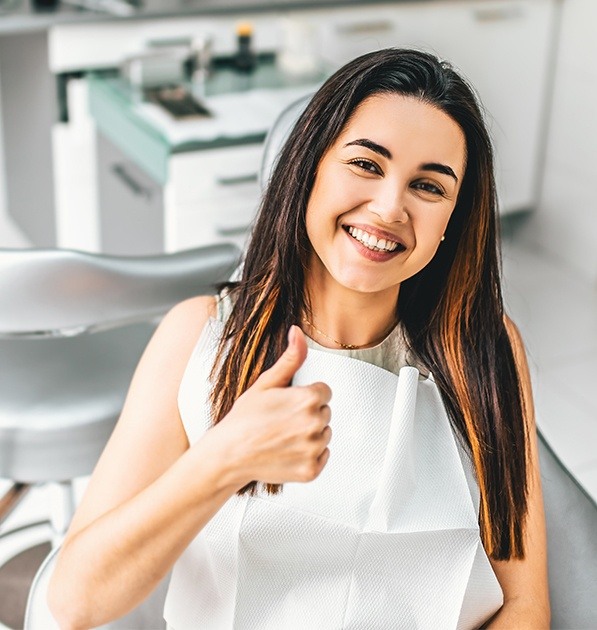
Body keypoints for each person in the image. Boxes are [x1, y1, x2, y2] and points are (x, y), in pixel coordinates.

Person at [48, 48, 550, 629]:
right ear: (308, 168)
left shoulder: (484, 347)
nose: (389, 207)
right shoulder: (200, 337)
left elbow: (524, 603)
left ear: (451, 225)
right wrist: (222, 459)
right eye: (366, 164)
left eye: (428, 187)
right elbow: (76, 601)